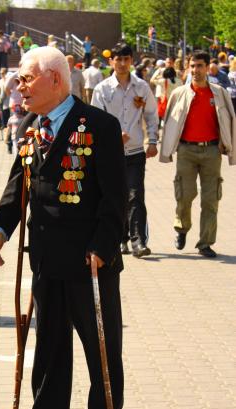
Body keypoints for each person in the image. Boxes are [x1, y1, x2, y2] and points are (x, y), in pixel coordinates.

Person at [0, 46, 126, 409]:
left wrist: (103, 245)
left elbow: (116, 198)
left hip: (89, 257)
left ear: (56, 79)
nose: (19, 86)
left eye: (27, 78)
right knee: (48, 336)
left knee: (100, 339)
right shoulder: (31, 125)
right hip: (45, 255)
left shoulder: (98, 125)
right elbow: (18, 186)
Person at [160, 50, 236, 258]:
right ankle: (182, 228)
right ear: (187, 68)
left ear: (207, 67)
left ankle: (205, 242)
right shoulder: (179, 94)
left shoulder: (219, 93)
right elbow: (168, 123)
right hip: (186, 151)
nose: (195, 70)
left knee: (211, 199)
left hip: (212, 151)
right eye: (192, 66)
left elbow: (230, 120)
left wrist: (228, 146)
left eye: (200, 66)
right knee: (185, 195)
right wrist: (167, 149)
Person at [92, 42, 159, 258]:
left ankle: (138, 240)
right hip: (110, 154)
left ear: (132, 61)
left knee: (135, 194)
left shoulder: (142, 87)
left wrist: (153, 141)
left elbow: (151, 115)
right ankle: (119, 239)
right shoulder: (102, 89)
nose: (122, 64)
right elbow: (95, 119)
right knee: (112, 196)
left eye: (126, 59)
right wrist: (112, 137)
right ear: (110, 61)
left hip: (135, 152)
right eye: (117, 59)